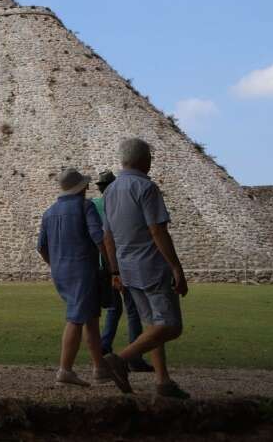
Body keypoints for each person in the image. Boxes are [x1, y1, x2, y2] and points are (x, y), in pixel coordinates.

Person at [101, 138, 191, 400]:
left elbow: (108, 236)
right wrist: (176, 267)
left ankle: (163, 381)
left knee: (152, 325)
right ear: (145, 160)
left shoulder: (110, 191)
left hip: (127, 269)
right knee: (171, 325)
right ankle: (122, 358)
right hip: (151, 266)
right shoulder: (146, 187)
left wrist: (115, 271)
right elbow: (157, 230)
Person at [38, 168, 108, 387]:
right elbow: (99, 238)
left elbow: (41, 247)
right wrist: (110, 265)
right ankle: (65, 369)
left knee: (91, 318)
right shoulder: (85, 207)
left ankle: (99, 367)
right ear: (82, 187)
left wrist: (55, 264)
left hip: (61, 271)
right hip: (83, 270)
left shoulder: (49, 213)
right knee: (76, 319)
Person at [93, 171, 153, 373]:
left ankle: (104, 345)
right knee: (133, 310)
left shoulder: (93, 205)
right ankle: (133, 357)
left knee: (113, 308)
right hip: (122, 264)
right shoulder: (119, 204)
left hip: (101, 266)